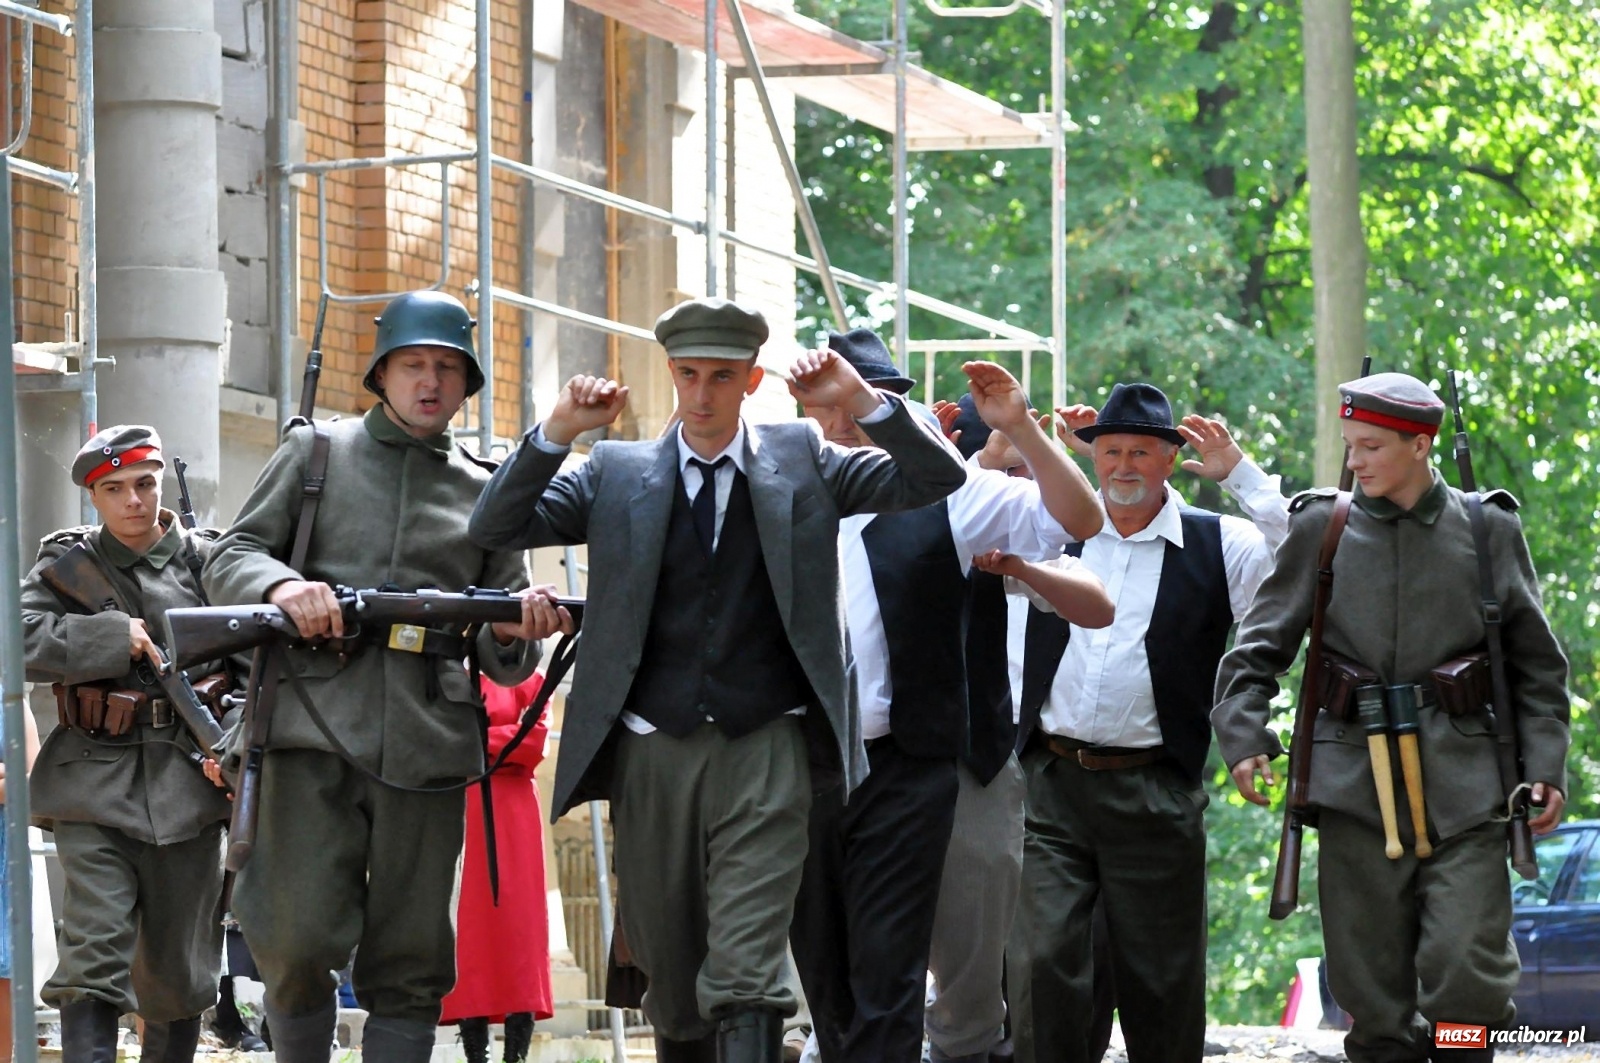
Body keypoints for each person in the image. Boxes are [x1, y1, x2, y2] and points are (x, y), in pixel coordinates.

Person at [467, 296, 967, 1063]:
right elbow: (494, 525)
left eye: (722, 377)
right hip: (649, 751)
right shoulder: (615, 469)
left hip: (767, 747)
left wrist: (861, 400)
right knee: (673, 975)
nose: (701, 395)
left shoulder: (805, 457)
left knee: (746, 972)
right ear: (671, 374)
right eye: (689, 375)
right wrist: (560, 428)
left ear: (752, 380)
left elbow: (936, 475)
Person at [204, 290, 563, 1063]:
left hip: (427, 736)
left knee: (411, 956)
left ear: (466, 384)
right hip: (307, 721)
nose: (429, 382)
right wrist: (281, 587)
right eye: (413, 365)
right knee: (294, 937)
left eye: (446, 368)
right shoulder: (316, 453)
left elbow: (507, 653)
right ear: (382, 374)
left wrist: (514, 627)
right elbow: (229, 555)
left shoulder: (489, 486)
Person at [1214, 372, 1569, 1063]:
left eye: (1372, 446)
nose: (1356, 461)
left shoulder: (1487, 526)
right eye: (1350, 444)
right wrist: (1245, 735)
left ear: (1420, 443)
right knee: (1372, 994)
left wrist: (1546, 765)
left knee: (1469, 974)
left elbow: (1537, 665)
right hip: (1353, 782)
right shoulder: (1323, 525)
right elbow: (1257, 649)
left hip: (1468, 787)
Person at [788, 333, 1106, 1063]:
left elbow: (1078, 523)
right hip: (803, 767)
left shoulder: (948, 494)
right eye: (824, 407)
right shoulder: (781, 489)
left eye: (856, 406)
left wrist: (1020, 429)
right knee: (828, 984)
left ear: (887, 408)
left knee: (895, 981)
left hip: (912, 767)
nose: (841, 426)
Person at [1007, 383, 1287, 1063]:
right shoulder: (1055, 530)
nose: (1123, 465)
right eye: (1109, 451)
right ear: (1092, 456)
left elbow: (1305, 556)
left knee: (1160, 984)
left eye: (1140, 451)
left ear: (1170, 458)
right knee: (1040, 966)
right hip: (1051, 782)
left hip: (1155, 789)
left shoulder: (1220, 543)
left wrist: (1242, 475)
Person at [19, 426, 233, 1063]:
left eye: (143, 484)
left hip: (192, 781)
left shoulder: (209, 562)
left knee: (178, 969)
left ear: (161, 481)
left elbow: (256, 667)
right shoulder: (67, 563)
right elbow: (16, 637)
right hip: (93, 781)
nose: (132, 501)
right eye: (113, 489)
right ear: (93, 496)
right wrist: (110, 637)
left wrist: (238, 748)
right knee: (94, 947)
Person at [443, 672, 556, 1063]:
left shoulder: (534, 679)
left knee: (520, 929)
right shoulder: (452, 670)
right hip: (462, 805)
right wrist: (501, 739)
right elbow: (440, 734)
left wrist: (474, 743)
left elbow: (535, 741)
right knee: (469, 931)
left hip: (514, 811)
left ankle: (516, 1055)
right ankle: (477, 1054)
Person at [0, 706, 41, 1063]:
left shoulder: (9, 702)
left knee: (3, 967)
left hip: (4, 856)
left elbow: (36, 782)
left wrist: (11, 781)